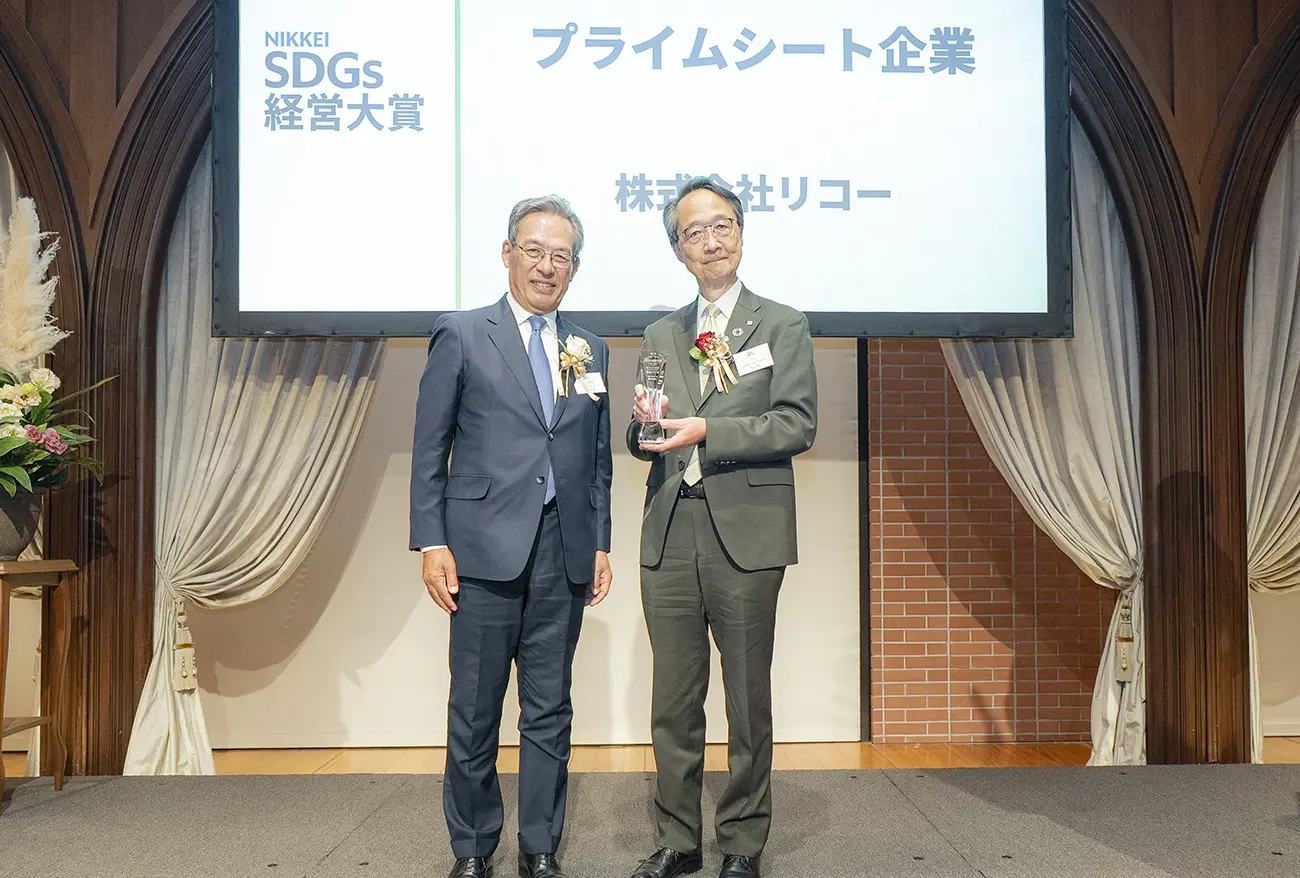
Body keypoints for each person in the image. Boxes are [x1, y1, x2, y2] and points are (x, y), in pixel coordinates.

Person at [409, 195, 614, 878]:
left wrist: (601, 541)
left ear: (574, 267)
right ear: (507, 253)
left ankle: (540, 846)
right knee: (474, 708)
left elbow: (597, 461)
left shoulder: (590, 348)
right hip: (480, 551)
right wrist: (431, 542)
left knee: (549, 709)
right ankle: (472, 847)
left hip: (564, 550)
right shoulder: (463, 333)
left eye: (561, 256)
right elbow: (429, 447)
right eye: (534, 250)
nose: (547, 266)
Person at [626, 177, 817, 878]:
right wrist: (642, 431)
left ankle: (741, 842)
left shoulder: (782, 324)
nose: (709, 241)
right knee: (673, 700)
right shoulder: (660, 333)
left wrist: (709, 432)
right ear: (678, 250)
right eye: (693, 232)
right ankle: (678, 840)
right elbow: (645, 433)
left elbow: (796, 423)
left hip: (748, 530)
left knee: (746, 697)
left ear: (740, 232)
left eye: (721, 226)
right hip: (670, 530)